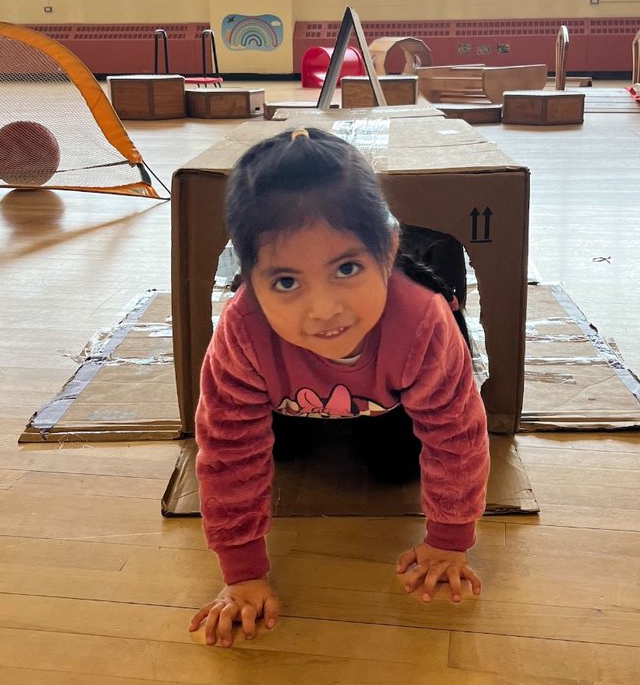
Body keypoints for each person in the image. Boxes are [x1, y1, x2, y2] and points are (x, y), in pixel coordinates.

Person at [189, 126, 490, 647]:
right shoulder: (242, 331)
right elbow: (228, 450)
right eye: (286, 282)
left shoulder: (423, 322)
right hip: (289, 404)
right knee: (280, 456)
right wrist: (242, 573)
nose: (324, 310)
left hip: (391, 405)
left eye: (347, 268)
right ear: (249, 281)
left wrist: (448, 541)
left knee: (394, 468)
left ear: (388, 250)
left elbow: (456, 435)